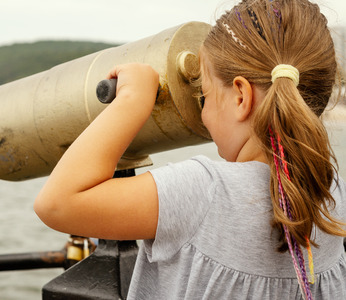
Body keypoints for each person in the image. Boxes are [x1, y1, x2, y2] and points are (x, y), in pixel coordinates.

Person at [34, 0, 346, 298]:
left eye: (204, 96)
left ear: (241, 97)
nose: (204, 117)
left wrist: (132, 101)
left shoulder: (204, 191)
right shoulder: (331, 192)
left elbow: (57, 204)